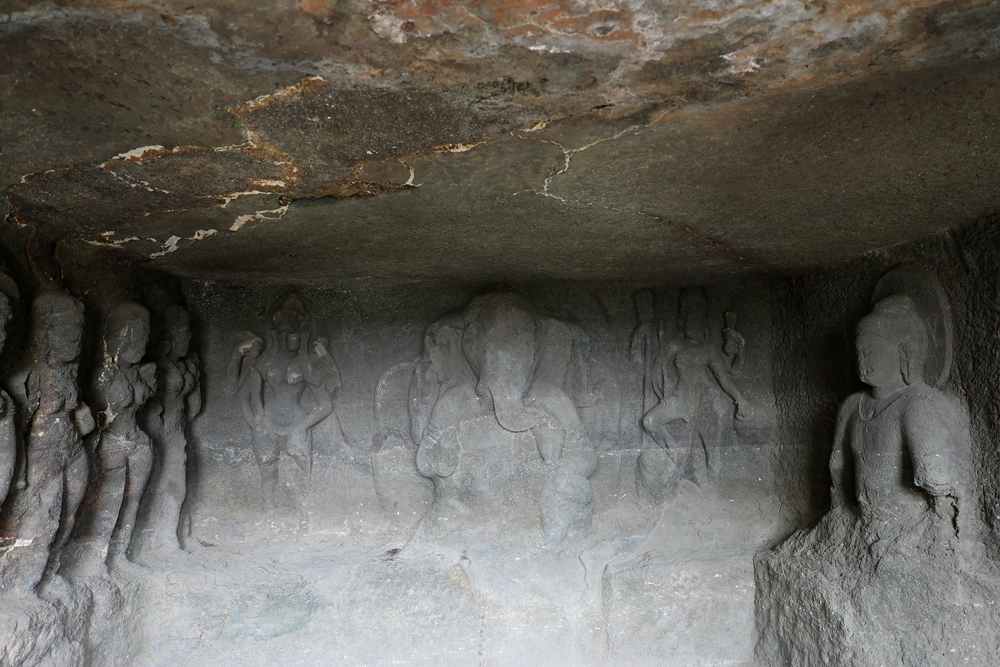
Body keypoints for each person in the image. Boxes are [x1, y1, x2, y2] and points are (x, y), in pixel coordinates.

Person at [829, 294, 972, 542]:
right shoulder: (852, 406)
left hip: (908, 533)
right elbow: (838, 467)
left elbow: (939, 487)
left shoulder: (918, 406)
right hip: (861, 525)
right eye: (859, 351)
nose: (862, 360)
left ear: (905, 353)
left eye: (871, 351)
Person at [641, 287, 750, 482]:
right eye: (690, 319)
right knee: (649, 421)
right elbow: (658, 370)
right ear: (681, 322)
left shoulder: (709, 349)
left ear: (704, 323)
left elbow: (724, 379)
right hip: (679, 398)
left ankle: (713, 473)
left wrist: (740, 399)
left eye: (698, 319)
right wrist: (663, 393)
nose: (694, 323)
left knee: (718, 428)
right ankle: (674, 450)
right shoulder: (675, 345)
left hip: (705, 398)